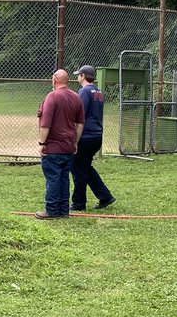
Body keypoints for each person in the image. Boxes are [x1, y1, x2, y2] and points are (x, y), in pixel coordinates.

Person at [35, 68, 84, 219]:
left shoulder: (52, 97)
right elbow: (80, 124)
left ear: (54, 79)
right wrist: (75, 142)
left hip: (53, 147)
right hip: (68, 147)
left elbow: (45, 124)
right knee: (64, 178)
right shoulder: (76, 97)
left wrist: (42, 143)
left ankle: (51, 210)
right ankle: (63, 210)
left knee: (53, 178)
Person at [71, 64, 116, 212]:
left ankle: (79, 203)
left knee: (78, 169)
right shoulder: (98, 91)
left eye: (79, 75)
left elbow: (80, 115)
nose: (77, 77)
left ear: (83, 76)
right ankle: (105, 196)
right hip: (96, 135)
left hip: (86, 136)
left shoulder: (84, 91)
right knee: (85, 168)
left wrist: (74, 137)